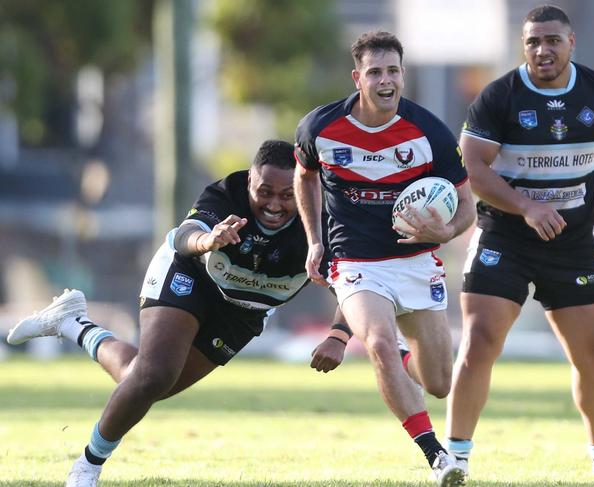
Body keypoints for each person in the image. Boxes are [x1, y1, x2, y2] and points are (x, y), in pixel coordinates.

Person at [6, 140, 353, 486]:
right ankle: (87, 467)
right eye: (265, 191)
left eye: (287, 195)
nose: (274, 205)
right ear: (249, 180)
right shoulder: (226, 193)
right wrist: (210, 240)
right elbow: (186, 234)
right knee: (154, 375)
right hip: (191, 274)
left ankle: (72, 322)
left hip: (246, 310)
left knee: (145, 382)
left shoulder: (325, 221)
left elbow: (358, 286)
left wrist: (338, 335)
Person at [445, 4, 594, 478]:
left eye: (552, 40)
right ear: (524, 46)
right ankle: (454, 457)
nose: (543, 50)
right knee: (479, 340)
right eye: (533, 42)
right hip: (505, 236)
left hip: (572, 241)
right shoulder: (499, 97)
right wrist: (528, 207)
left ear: (571, 43)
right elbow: (472, 169)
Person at [294, 31, 475, 486]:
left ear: (403, 75)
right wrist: (316, 240)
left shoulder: (429, 132)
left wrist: (447, 230)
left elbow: (468, 205)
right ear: (358, 78)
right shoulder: (319, 127)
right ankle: (437, 456)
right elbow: (305, 176)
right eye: (375, 72)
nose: (385, 80)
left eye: (393, 70)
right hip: (356, 261)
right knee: (375, 342)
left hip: (417, 261)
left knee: (439, 383)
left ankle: (395, 355)